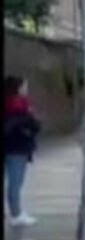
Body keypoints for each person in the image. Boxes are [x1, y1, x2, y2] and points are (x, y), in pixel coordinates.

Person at [4, 76, 41, 226]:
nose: (26, 89)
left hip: (9, 146)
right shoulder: (20, 106)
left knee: (13, 182)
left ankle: (17, 212)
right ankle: (16, 214)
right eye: (25, 86)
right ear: (18, 88)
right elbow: (34, 126)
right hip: (17, 148)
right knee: (15, 182)